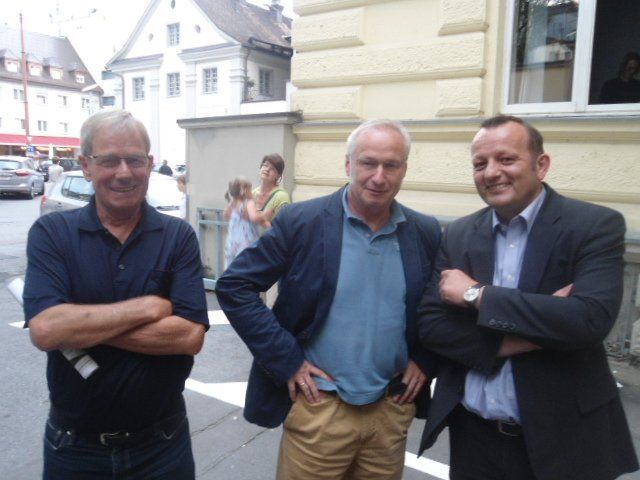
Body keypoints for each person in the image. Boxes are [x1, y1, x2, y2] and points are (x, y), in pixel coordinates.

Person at [216, 119, 441, 480]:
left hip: (389, 413)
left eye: (391, 165)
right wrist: (287, 360)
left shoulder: (424, 231)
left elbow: (437, 306)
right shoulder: (303, 221)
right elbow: (235, 286)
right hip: (319, 409)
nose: (379, 177)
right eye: (368, 163)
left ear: (404, 169)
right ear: (348, 164)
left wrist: (426, 359)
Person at [417, 115, 638, 480]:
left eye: (506, 159)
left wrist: (475, 294)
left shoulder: (593, 226)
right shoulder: (458, 234)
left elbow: (588, 320)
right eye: (480, 164)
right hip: (474, 438)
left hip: (564, 442)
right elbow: (432, 326)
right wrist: (531, 335)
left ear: (541, 165)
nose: (491, 172)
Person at [23, 109, 209, 479]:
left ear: (149, 165)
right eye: (109, 161)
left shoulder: (177, 237)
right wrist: (149, 307)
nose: (124, 172)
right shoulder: (52, 234)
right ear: (86, 166)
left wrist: (79, 326)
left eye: (134, 160)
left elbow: (189, 336)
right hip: (75, 449)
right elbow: (46, 330)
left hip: (162, 446)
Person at [223, 176, 269, 268]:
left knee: (232, 267)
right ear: (244, 191)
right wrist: (265, 214)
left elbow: (226, 216)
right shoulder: (249, 203)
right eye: (250, 190)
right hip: (246, 241)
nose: (251, 192)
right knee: (246, 267)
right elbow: (254, 217)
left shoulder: (232, 203)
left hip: (232, 242)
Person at [252, 153, 290, 222]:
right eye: (265, 165)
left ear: (278, 175)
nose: (267, 169)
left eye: (273, 168)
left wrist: (262, 221)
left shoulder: (281, 197)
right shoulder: (253, 193)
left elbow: (285, 225)